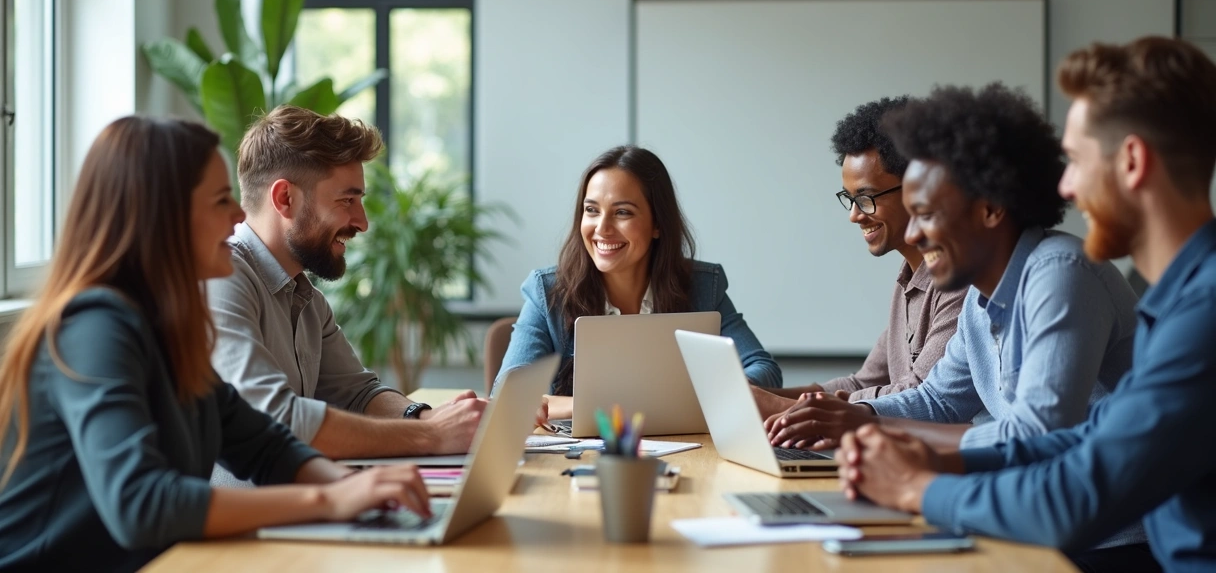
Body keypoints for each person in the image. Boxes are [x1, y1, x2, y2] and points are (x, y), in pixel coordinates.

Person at [836, 36, 1216, 573]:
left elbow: (1073, 500)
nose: (1065, 186)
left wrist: (917, 486)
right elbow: (1095, 430)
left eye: (1078, 161)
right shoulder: (1177, 304)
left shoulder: (1202, 314)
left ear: (1131, 162)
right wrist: (939, 456)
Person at [0, 117, 432, 572]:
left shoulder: (169, 326)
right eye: (220, 199)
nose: (238, 216)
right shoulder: (96, 327)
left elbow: (265, 445)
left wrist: (360, 490)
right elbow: (141, 504)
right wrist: (329, 498)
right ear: (163, 217)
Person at [766, 83, 1138, 456]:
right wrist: (857, 415)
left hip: (1106, 509)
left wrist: (868, 424)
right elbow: (938, 402)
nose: (913, 233)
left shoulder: (1061, 273)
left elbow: (1035, 436)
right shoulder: (980, 299)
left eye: (925, 215)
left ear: (990, 208)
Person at [208, 105, 486, 464]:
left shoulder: (307, 298)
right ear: (284, 199)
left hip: (304, 506)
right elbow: (270, 420)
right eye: (346, 200)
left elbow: (358, 393)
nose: (362, 222)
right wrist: (430, 434)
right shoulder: (222, 277)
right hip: (248, 516)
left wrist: (429, 418)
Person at [495, 145, 782, 420]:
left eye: (623, 212)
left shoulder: (703, 287)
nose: (602, 229)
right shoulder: (548, 291)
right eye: (592, 210)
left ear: (657, 224)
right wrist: (610, 407)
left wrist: (719, 393)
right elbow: (510, 391)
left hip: (689, 452)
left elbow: (763, 369)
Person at [752, 97, 967, 418]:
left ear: (918, 189)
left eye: (865, 198)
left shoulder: (960, 280)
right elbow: (861, 382)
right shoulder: (907, 279)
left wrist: (781, 407)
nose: (855, 215)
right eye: (849, 199)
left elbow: (923, 396)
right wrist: (759, 396)